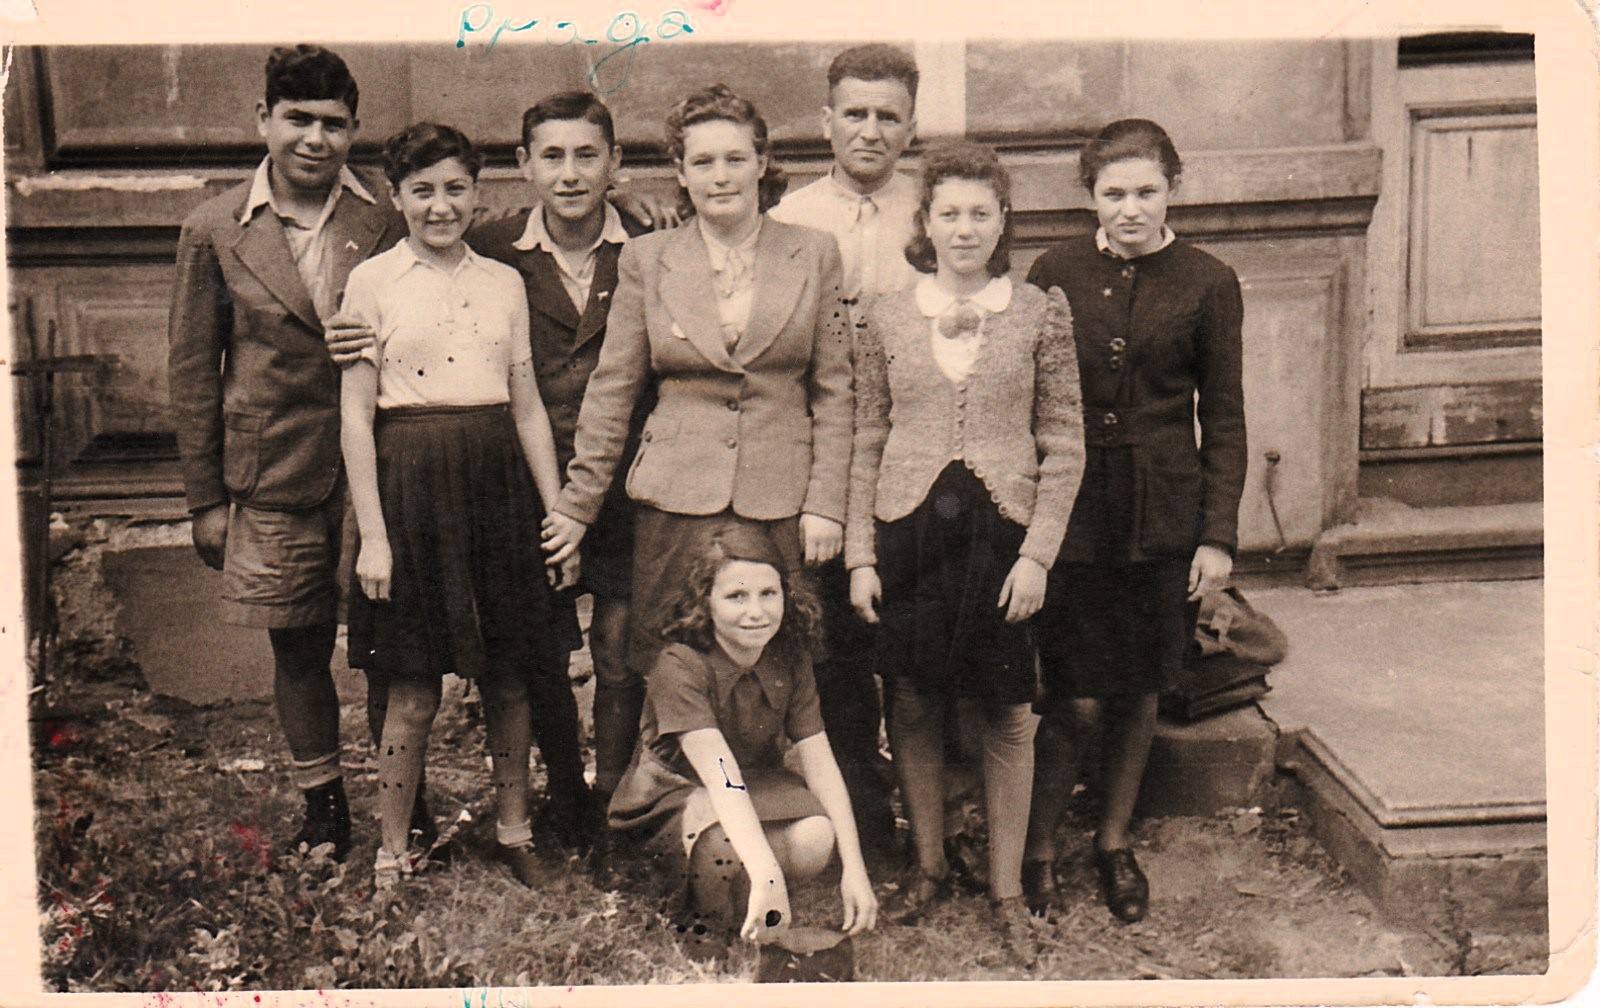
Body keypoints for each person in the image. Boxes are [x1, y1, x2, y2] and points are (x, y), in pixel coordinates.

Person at [542, 84, 854, 774]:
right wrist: (578, 504)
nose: (720, 177)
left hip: (782, 494)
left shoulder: (814, 252)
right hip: (675, 497)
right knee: (668, 659)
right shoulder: (649, 260)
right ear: (679, 172)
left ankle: (773, 812)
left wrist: (827, 501)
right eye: (702, 162)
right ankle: (656, 814)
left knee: (781, 658)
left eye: (735, 159)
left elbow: (835, 390)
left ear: (761, 163)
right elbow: (613, 388)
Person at [845, 142, 1084, 954]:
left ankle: (1007, 889)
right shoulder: (880, 314)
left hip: (1002, 532)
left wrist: (1038, 555)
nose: (965, 227)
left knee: (1007, 711)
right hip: (908, 529)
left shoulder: (1040, 311)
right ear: (926, 222)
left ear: (1003, 220)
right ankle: (928, 865)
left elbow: (1064, 440)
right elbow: (866, 435)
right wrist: (859, 555)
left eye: (981, 212)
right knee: (910, 697)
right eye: (949, 211)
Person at [167, 44, 403, 861]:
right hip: (273, 473)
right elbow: (194, 371)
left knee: (390, 646)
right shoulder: (214, 228)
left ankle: (403, 803)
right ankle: (324, 805)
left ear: (354, 131)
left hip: (375, 467)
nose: (314, 139)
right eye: (296, 119)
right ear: (262, 120)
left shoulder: (384, 220)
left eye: (333, 124)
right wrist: (205, 499)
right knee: (297, 642)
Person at [338, 122, 577, 887]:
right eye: (422, 191)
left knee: (510, 672)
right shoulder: (372, 283)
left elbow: (528, 404)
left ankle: (513, 829)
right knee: (411, 686)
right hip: (410, 484)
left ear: (477, 191)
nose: (440, 207)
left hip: (497, 487)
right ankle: (391, 851)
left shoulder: (502, 281)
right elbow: (355, 417)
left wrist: (557, 512)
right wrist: (373, 537)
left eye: (455, 189)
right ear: (394, 196)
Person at [1021, 118, 1246, 924]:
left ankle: (1113, 842)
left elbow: (1223, 419)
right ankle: (1038, 848)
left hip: (1162, 514)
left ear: (1173, 189)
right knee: (1074, 695)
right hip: (1074, 508)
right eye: (1113, 193)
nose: (1130, 209)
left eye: (1146, 191)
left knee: (1142, 689)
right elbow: (1029, 398)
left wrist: (1216, 535)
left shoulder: (1208, 281)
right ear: (1090, 196)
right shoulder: (1054, 271)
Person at [457, 91, 649, 863]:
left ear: (616, 163)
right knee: (539, 647)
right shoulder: (490, 247)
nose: (570, 175)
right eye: (552, 156)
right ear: (523, 165)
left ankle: (617, 800)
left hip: (630, 476)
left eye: (587, 156)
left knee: (620, 641)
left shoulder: (648, 243)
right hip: (529, 480)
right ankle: (566, 793)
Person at [767, 42, 921, 854]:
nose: (870, 131)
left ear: (910, 125)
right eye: (854, 114)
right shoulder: (790, 218)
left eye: (887, 116)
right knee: (832, 643)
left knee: (908, 632)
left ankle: (932, 807)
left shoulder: (935, 211)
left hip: (910, 451)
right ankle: (859, 806)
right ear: (826, 121)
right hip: (821, 451)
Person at [607, 525, 876, 948]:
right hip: (674, 798)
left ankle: (740, 886)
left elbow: (821, 764)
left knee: (816, 837)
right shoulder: (678, 665)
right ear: (705, 601)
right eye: (736, 596)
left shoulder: (790, 656)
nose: (756, 612)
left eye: (769, 594)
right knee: (720, 843)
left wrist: (854, 869)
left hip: (751, 787)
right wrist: (769, 873)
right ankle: (704, 921)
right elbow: (721, 779)